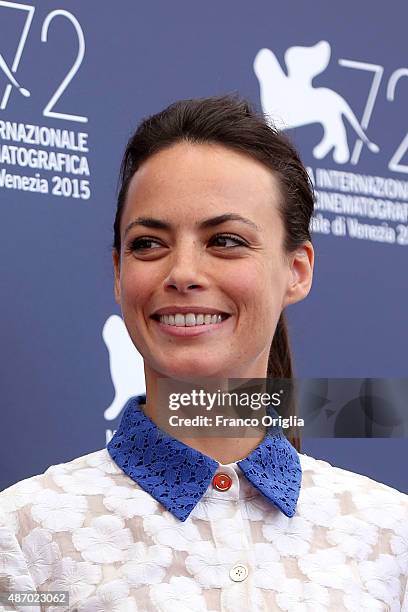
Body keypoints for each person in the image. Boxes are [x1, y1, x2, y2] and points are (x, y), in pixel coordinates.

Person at [0, 95, 407, 612]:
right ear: (118, 272)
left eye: (226, 240)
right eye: (148, 244)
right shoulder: (23, 536)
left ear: (297, 270)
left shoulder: (390, 539)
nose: (183, 272)